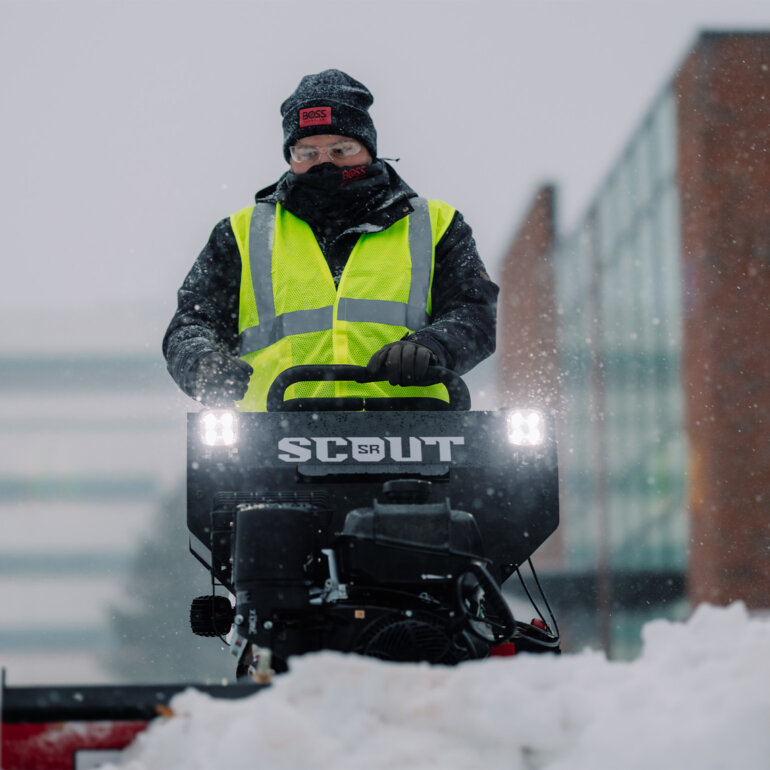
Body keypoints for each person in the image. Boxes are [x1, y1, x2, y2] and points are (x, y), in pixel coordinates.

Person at [163, 70, 498, 410]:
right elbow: (191, 324)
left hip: (415, 435)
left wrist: (431, 346)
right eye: (307, 153)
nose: (325, 163)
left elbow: (474, 315)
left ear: (368, 148)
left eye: (341, 149)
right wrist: (201, 363)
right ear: (291, 156)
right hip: (270, 441)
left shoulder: (435, 225)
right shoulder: (240, 234)